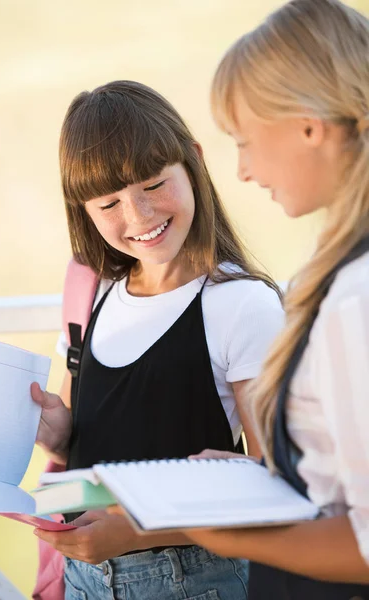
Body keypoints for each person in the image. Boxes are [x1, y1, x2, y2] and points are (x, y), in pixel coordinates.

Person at [30, 80, 284, 600]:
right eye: (109, 203)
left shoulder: (239, 303)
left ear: (192, 161)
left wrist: (134, 530)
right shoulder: (92, 291)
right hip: (84, 578)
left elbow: (273, 487)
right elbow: (89, 448)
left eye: (152, 184)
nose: (139, 217)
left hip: (195, 579)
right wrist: (56, 431)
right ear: (83, 208)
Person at [183, 0, 369, 598]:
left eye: (245, 141)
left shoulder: (355, 297)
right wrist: (259, 476)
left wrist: (227, 537)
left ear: (308, 127)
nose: (240, 170)